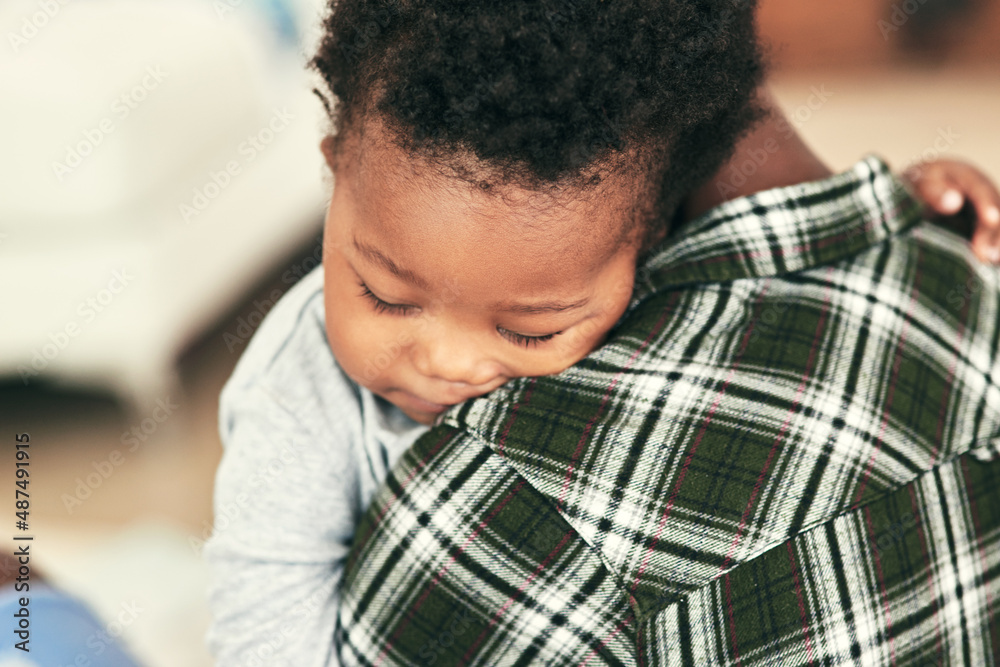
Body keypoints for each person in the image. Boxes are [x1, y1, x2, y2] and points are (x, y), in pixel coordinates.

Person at [203, 0, 1000, 664]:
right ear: (335, 169)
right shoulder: (297, 387)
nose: (446, 359)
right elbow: (261, 609)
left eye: (530, 327)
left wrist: (906, 187)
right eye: (384, 294)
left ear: (651, 242)